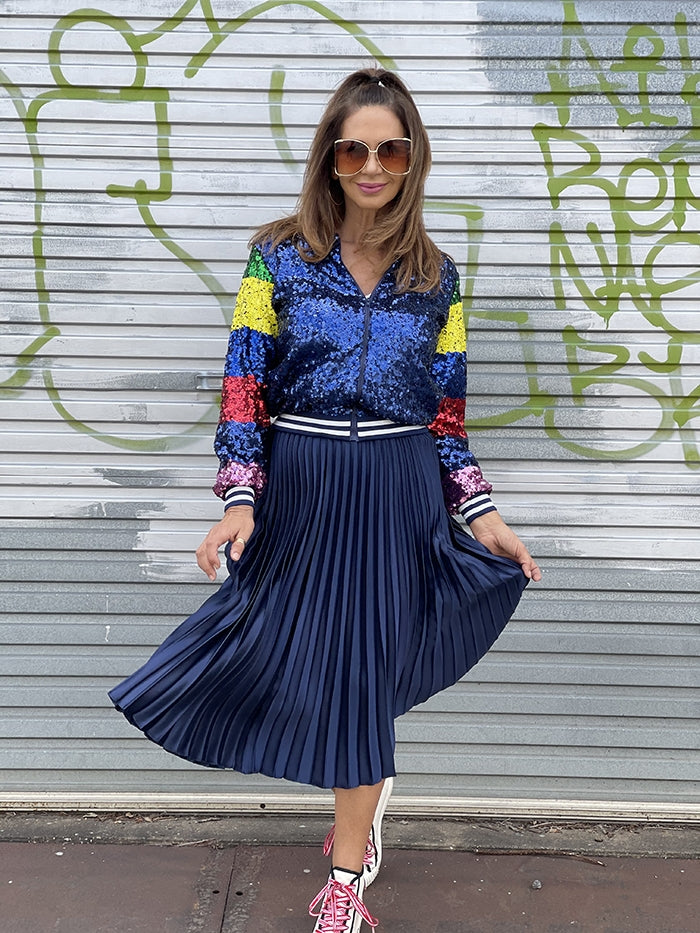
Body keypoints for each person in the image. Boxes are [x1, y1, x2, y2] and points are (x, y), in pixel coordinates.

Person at [109, 67, 541, 933]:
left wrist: (481, 513)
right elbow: (243, 386)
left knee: (364, 679)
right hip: (302, 487)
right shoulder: (275, 258)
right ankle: (360, 811)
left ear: (414, 159)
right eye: (354, 150)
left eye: (391, 150)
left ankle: (345, 878)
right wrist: (240, 498)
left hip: (397, 493)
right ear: (330, 159)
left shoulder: (440, 279)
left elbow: (447, 420)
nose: (372, 166)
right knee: (263, 655)